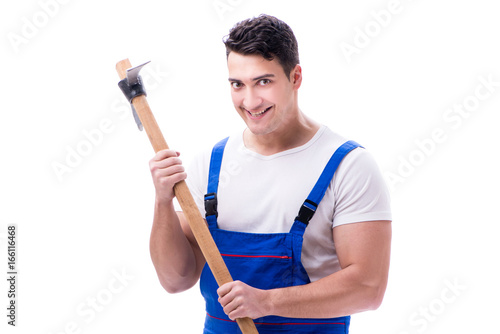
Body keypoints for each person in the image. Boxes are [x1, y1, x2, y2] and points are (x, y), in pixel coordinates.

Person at [149, 14, 392, 333]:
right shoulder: (210, 165)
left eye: (264, 81)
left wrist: (265, 303)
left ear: (295, 77)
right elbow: (175, 279)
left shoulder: (348, 166)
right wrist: (162, 201)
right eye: (238, 84)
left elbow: (367, 288)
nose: (250, 101)